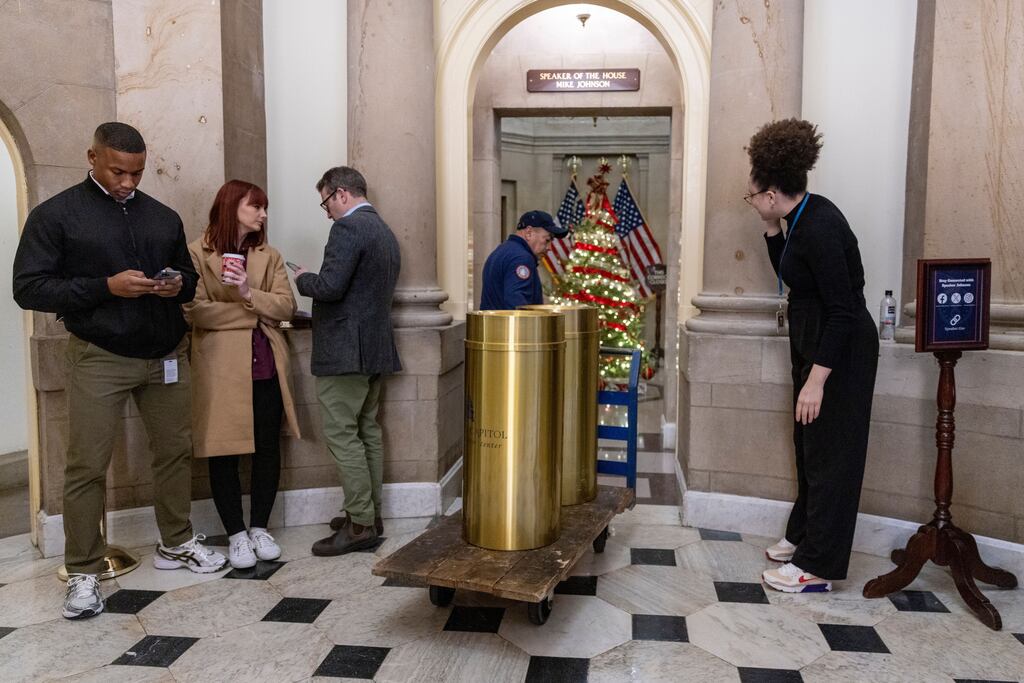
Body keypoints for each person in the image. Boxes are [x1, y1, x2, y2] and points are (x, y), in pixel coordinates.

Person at [12, 122, 227, 620]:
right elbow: (29, 288)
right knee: (87, 465)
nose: (129, 182)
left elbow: (189, 276)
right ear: (92, 156)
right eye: (118, 171)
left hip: (167, 354)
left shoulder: (163, 216)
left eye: (137, 172)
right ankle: (84, 570)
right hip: (100, 356)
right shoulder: (56, 215)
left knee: (174, 452)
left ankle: (175, 542)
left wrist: (180, 285)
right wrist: (105, 287)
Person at [745, 119, 879, 593]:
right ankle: (803, 536)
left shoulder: (821, 226)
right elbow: (792, 273)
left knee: (832, 457)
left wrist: (816, 380)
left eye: (755, 195)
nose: (753, 200)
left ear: (775, 191)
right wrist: (769, 228)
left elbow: (843, 311)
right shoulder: (798, 221)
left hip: (839, 354)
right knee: (808, 450)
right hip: (814, 345)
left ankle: (816, 566)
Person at [183, 180, 300, 569]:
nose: (264, 214)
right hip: (218, 369)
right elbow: (195, 311)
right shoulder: (197, 253)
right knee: (224, 451)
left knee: (267, 448)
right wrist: (252, 312)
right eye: (257, 206)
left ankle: (259, 528)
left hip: (264, 364)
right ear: (232, 206)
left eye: (264, 208)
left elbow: (285, 307)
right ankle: (235, 534)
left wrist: (249, 292)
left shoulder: (270, 255)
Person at [292, 166, 401, 556]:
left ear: (340, 194)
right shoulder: (383, 230)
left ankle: (359, 526)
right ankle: (369, 515)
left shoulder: (348, 228)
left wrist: (303, 278)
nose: (326, 212)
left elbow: (330, 288)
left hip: (345, 351)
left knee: (343, 436)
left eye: (325, 202)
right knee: (367, 431)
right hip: (374, 348)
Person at [479, 210, 568, 310]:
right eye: (547, 240)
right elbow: (518, 307)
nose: (549, 248)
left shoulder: (502, 251)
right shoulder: (521, 259)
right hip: (511, 325)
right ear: (529, 233)